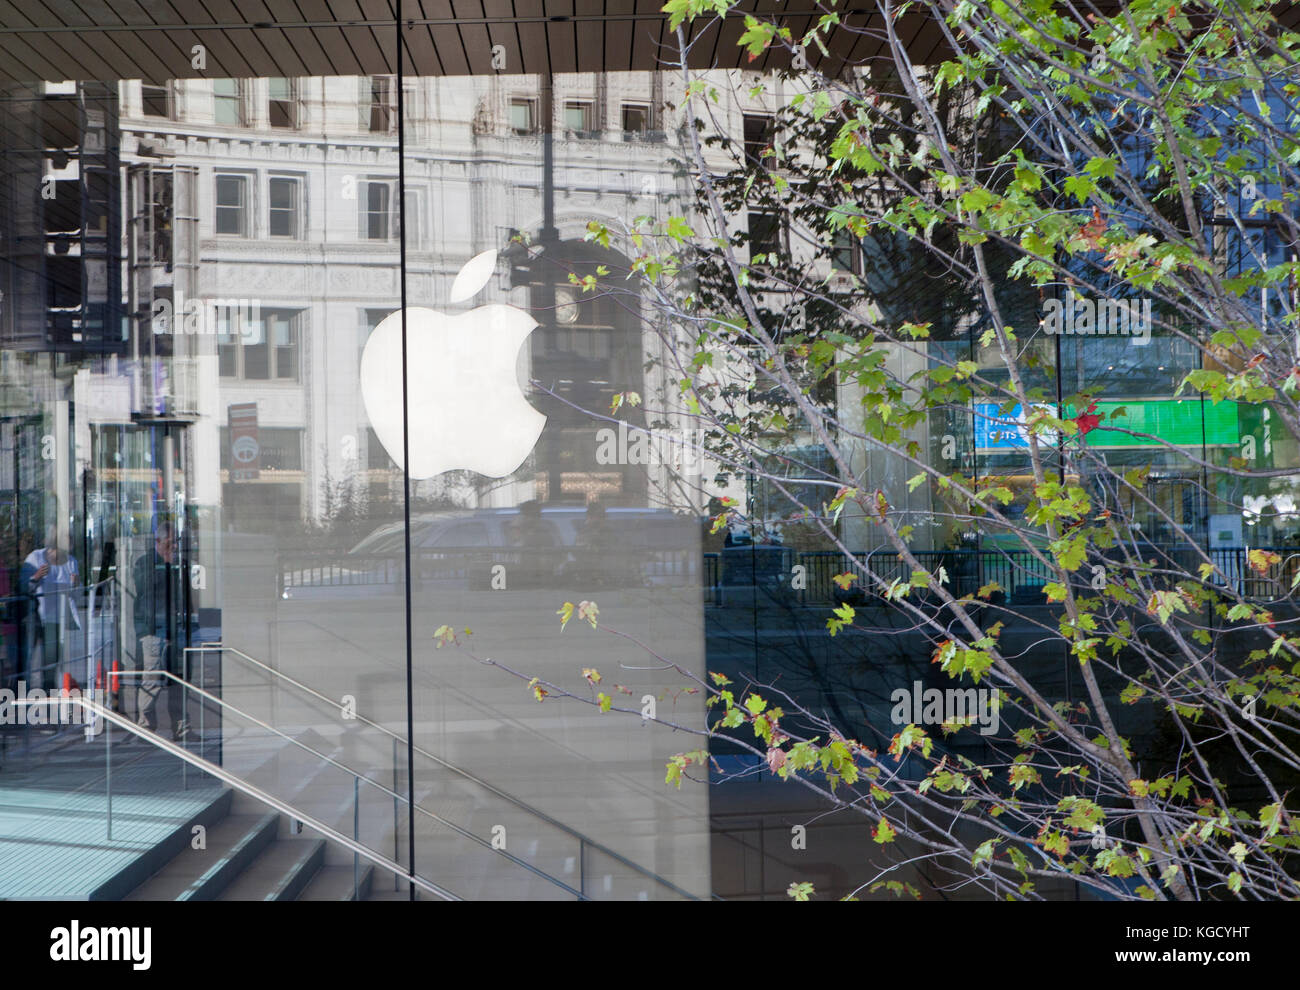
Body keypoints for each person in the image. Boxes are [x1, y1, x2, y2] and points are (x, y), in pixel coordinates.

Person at [133, 519, 188, 740]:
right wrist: (166, 565)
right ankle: (146, 726)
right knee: (151, 680)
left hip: (174, 628)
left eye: (175, 542)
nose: (173, 547)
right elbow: (145, 588)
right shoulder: (145, 563)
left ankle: (182, 726)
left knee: (179, 682)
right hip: (153, 630)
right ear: (158, 541)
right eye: (169, 542)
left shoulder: (177, 563)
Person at [20, 527, 80, 693]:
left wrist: (75, 585)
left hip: (56, 618)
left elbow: (76, 596)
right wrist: (36, 577)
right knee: (29, 657)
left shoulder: (72, 562)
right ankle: (20, 692)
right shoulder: (36, 557)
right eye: (67, 539)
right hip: (35, 616)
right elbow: (24, 587)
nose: (71, 543)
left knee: (51, 660)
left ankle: (48, 692)